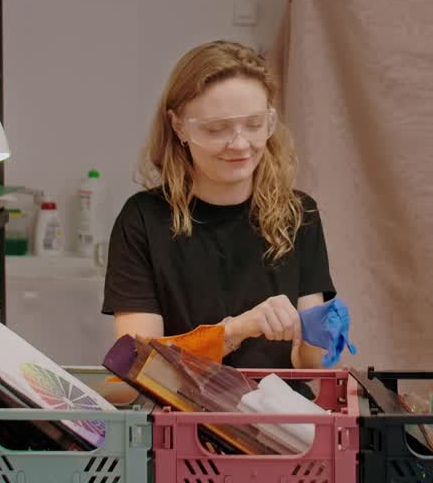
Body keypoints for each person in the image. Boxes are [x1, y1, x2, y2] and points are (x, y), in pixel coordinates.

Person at [102, 40, 336, 370]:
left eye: (255, 125)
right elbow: (137, 365)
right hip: (182, 416)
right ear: (178, 126)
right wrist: (237, 329)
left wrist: (321, 335)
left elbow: (310, 367)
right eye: (216, 129)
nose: (241, 144)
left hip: (279, 414)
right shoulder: (143, 220)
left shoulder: (299, 214)